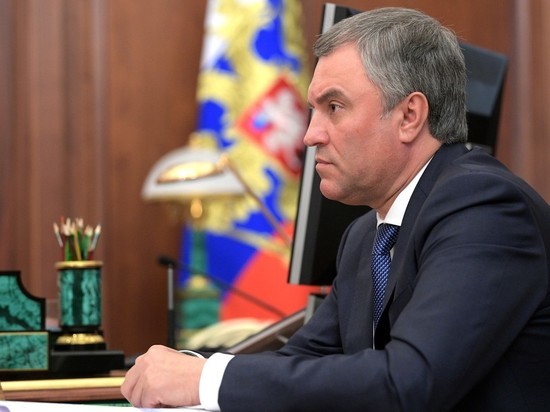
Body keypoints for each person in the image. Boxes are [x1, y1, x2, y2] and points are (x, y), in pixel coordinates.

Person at [121, 7, 550, 411]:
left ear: (409, 116)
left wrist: (206, 379)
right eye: (314, 111)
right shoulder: (365, 236)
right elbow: (302, 362)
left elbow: (409, 383)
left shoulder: (485, 208)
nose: (310, 136)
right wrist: (191, 373)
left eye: (334, 107)